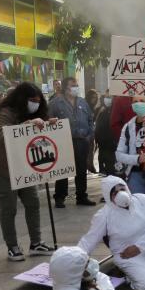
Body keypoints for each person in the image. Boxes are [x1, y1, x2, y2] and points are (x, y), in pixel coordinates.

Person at [0, 82, 56, 261]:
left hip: (23, 166)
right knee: (9, 207)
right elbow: (5, 134)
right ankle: (12, 246)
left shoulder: (34, 113)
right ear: (22, 99)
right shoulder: (5, 112)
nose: (35, 104)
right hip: (1, 167)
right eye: (32, 100)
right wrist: (29, 123)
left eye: (38, 101)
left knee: (33, 202)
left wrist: (48, 125)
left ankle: (36, 242)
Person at [49, 77, 95, 207]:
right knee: (63, 170)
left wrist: (90, 135)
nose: (76, 87)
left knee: (81, 170)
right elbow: (48, 120)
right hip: (64, 142)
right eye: (73, 85)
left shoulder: (83, 102)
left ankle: (81, 196)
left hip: (82, 141)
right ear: (65, 88)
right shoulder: (55, 103)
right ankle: (60, 197)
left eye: (76, 85)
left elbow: (91, 120)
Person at [94, 92, 117, 177]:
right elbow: (98, 126)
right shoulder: (101, 110)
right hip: (103, 143)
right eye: (106, 97)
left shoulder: (116, 110)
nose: (107, 99)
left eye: (109, 97)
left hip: (113, 144)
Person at [85, 89, 101, 174]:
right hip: (84, 132)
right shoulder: (85, 106)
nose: (94, 99)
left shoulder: (95, 108)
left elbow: (94, 120)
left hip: (91, 132)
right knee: (86, 151)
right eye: (92, 97)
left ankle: (90, 166)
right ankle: (88, 166)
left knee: (91, 150)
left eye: (95, 98)